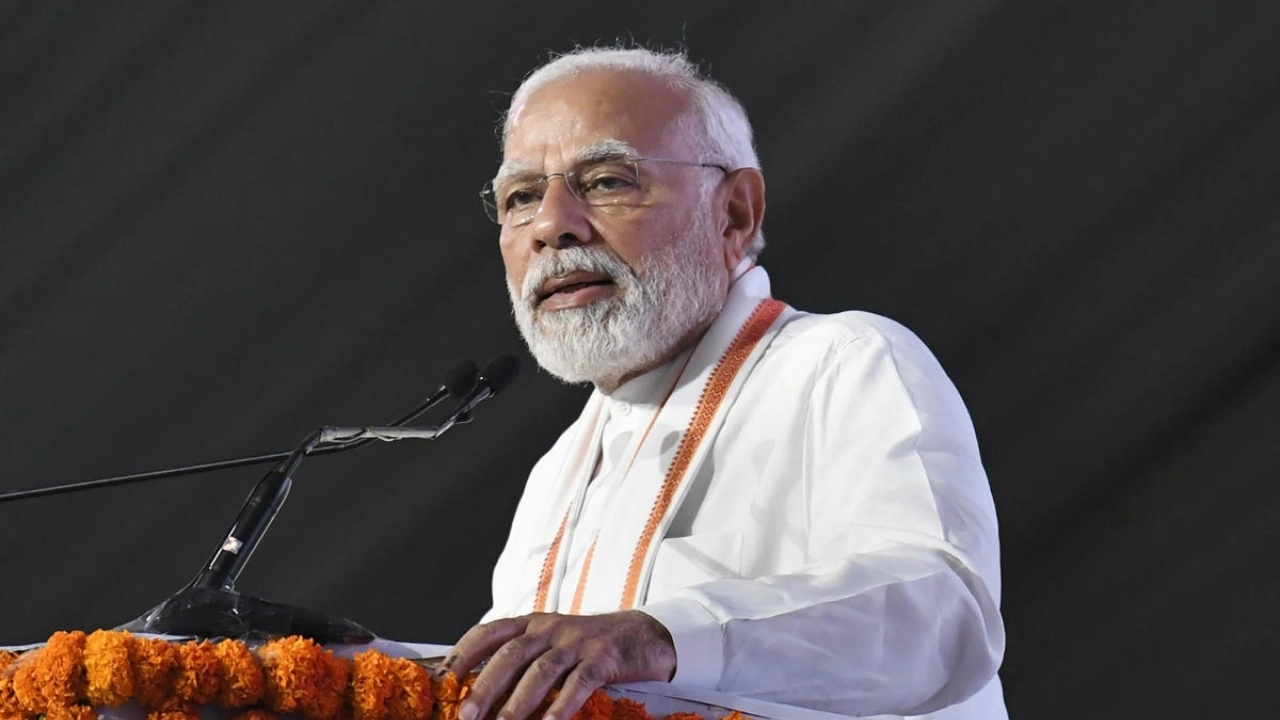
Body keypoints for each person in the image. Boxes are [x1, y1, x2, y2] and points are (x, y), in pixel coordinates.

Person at [436, 46, 1007, 720]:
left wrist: (663, 636)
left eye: (608, 181)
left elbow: (940, 617)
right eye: (522, 196)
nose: (553, 225)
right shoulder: (555, 476)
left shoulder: (843, 363)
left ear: (733, 212)